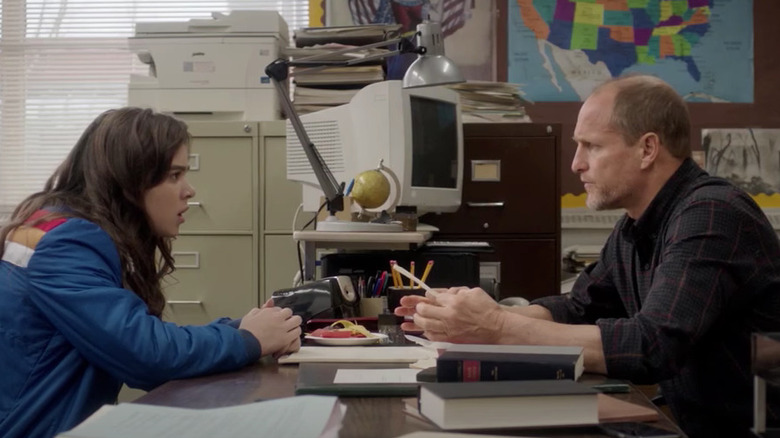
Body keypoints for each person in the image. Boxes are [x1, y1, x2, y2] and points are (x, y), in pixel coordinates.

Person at [396, 75, 780, 437]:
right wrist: (467, 318)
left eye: (592, 146)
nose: (576, 163)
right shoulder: (634, 226)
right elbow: (579, 308)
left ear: (647, 148)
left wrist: (496, 326)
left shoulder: (712, 214)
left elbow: (653, 345)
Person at [0, 107, 303, 438]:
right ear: (127, 181)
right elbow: (144, 356)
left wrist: (241, 328)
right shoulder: (66, 244)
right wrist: (247, 340)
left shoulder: (55, 226)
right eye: (174, 176)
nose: (189, 190)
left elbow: (130, 333)